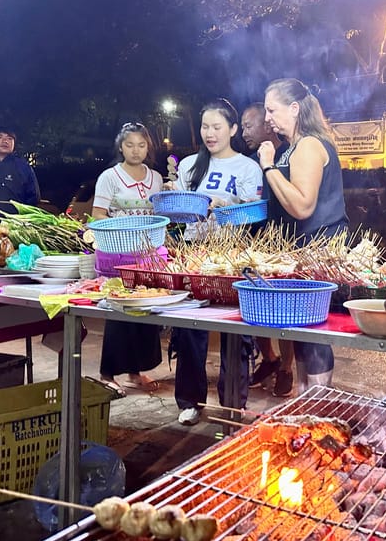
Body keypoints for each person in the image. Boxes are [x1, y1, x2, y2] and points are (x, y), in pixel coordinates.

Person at [171, 99, 262, 425]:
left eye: (217, 127)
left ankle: (232, 403)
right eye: (205, 127)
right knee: (189, 328)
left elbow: (254, 212)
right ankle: (189, 400)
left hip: (234, 253)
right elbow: (179, 214)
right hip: (195, 250)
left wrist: (228, 204)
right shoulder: (188, 166)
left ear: (233, 129)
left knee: (235, 330)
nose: (209, 134)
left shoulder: (248, 167)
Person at [257, 78, 348, 393]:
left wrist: (268, 167)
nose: (267, 117)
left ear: (294, 108)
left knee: (314, 336)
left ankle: (319, 404)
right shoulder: (290, 148)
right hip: (298, 251)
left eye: (272, 109)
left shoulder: (309, 145)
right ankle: (307, 403)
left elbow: (302, 206)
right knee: (302, 333)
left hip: (319, 251)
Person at [92, 122, 165, 393]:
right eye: (130, 145)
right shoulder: (109, 177)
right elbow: (98, 214)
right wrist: (119, 228)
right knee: (119, 312)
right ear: (120, 147)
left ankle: (136, 371)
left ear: (149, 147)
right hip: (118, 255)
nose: (136, 150)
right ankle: (107, 373)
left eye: (142, 145)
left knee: (144, 309)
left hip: (148, 255)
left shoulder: (155, 178)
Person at [240, 102, 295, 397]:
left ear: (266, 124)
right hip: (254, 239)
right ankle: (269, 359)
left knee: (283, 307)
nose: (245, 132)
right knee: (256, 303)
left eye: (249, 125)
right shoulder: (249, 162)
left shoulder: (288, 154)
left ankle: (287, 367)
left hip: (285, 238)